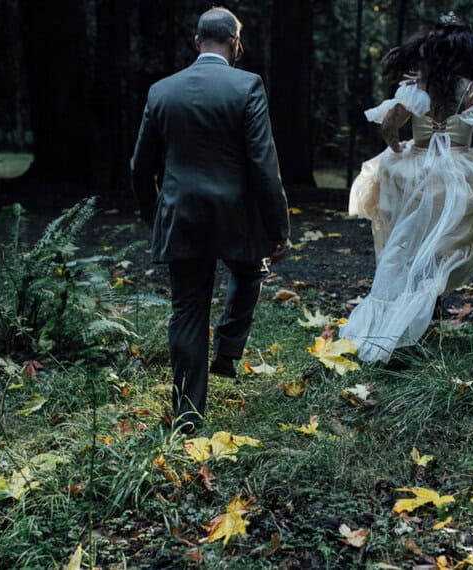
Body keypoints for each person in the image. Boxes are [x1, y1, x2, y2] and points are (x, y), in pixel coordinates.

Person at [131, 7, 291, 433]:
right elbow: (263, 164)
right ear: (236, 44)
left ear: (196, 41)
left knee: (186, 311)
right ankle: (228, 348)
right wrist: (278, 228)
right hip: (236, 219)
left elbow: (138, 166)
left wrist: (154, 213)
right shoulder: (247, 86)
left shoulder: (162, 91)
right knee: (252, 268)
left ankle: (186, 416)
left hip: (181, 215)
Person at [339, 14, 473, 363]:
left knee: (407, 245)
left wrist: (397, 151)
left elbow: (391, 127)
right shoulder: (471, 91)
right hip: (457, 172)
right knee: (443, 246)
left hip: (413, 171)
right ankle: (425, 311)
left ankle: (408, 319)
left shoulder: (416, 87)